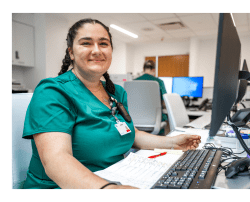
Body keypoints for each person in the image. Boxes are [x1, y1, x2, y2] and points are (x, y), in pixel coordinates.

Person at [22, 18, 201, 189]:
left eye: (103, 43)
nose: (97, 50)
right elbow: (56, 160)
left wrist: (172, 143)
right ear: (71, 52)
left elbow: (132, 134)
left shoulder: (116, 93)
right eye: (86, 43)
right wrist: (107, 189)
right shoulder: (53, 92)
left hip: (113, 178)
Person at [135, 60, 168, 134]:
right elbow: (165, 102)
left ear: (143, 69)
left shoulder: (133, 81)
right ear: (153, 70)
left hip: (137, 122)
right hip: (155, 122)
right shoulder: (159, 82)